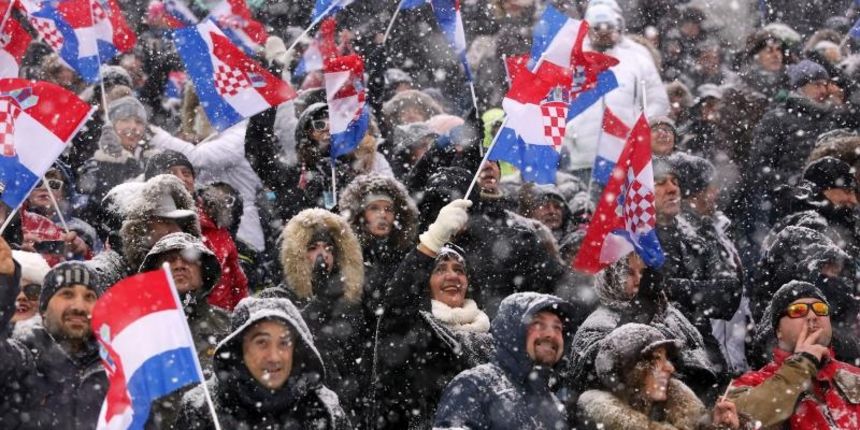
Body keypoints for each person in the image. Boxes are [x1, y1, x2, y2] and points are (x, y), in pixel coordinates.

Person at [374, 199, 493, 429]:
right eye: (440, 269)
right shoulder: (414, 329)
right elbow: (395, 305)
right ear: (426, 283)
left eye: (459, 270)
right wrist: (432, 241)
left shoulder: (493, 339)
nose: (452, 277)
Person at [174, 296, 350, 429]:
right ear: (239, 349)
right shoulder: (202, 407)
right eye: (261, 342)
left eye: (284, 343)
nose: (274, 357)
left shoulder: (324, 408)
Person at [264, 208, 370, 422]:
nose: (323, 256)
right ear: (295, 254)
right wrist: (321, 301)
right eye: (313, 248)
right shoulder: (274, 299)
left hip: (348, 411)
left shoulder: (349, 301)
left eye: (329, 248)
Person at [569, 255, 719, 403]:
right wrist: (643, 307)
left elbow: (704, 360)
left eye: (644, 273)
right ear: (610, 277)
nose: (639, 280)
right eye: (629, 273)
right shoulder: (596, 324)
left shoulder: (671, 314)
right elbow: (603, 368)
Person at [0, 243, 107, 429]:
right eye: (67, 294)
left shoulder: (120, 371)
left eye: (89, 297)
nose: (79, 307)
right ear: (43, 310)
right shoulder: (20, 360)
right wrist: (4, 284)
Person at [726, 281, 860, 427]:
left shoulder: (855, 375)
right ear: (779, 331)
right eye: (798, 310)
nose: (812, 315)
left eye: (820, 308)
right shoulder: (752, 382)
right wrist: (801, 365)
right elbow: (733, 420)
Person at [433, 292, 576, 429]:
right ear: (512, 332)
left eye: (557, 327)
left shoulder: (556, 406)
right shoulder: (475, 386)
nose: (551, 334)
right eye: (538, 323)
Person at [565, 2, 669, 181]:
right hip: (580, 157)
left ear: (618, 26)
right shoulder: (572, 57)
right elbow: (556, 101)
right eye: (597, 28)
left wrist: (639, 128)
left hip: (623, 155)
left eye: (609, 27)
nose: (603, 33)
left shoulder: (637, 57)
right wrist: (566, 139)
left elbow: (657, 101)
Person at [137, 231, 230, 428]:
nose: (179, 265)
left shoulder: (228, 326)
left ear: (204, 270)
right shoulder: (135, 330)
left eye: (188, 259)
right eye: (169, 260)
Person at [577, 323, 741, 429]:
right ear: (630, 371)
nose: (670, 367)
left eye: (666, 358)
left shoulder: (672, 404)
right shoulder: (599, 422)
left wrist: (717, 426)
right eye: (657, 358)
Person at [338, 173, 419, 320]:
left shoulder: (408, 253)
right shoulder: (347, 254)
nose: (383, 214)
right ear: (360, 215)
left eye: (389, 209)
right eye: (374, 208)